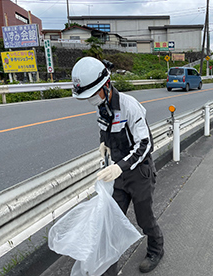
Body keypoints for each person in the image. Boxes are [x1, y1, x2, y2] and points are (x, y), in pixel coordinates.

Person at [71, 57, 164, 274]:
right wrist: (103, 144)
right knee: (109, 225)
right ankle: (108, 270)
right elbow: (104, 130)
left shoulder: (129, 106)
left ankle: (156, 249)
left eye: (93, 94)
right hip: (118, 177)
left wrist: (119, 166)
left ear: (106, 85)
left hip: (139, 173)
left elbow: (145, 144)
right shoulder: (101, 108)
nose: (91, 99)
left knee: (145, 219)